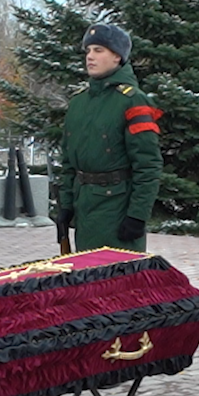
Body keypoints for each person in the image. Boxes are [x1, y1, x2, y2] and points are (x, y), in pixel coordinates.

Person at [55, 24, 163, 251]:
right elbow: (68, 163)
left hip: (117, 208)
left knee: (118, 281)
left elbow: (148, 165)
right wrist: (65, 207)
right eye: (88, 51)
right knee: (85, 279)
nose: (90, 57)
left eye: (98, 50)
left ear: (117, 57)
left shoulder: (132, 100)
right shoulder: (78, 103)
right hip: (84, 207)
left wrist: (137, 216)